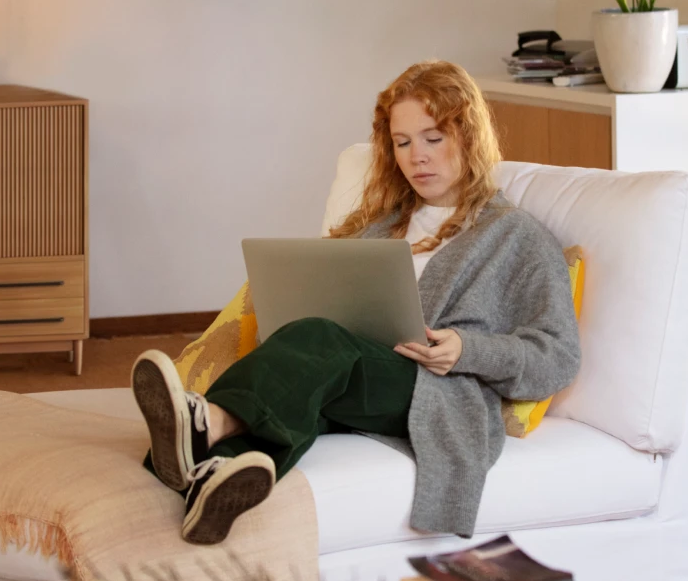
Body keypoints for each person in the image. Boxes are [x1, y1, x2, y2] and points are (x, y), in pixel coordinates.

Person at [131, 60, 581, 545]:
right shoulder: (382, 224)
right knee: (301, 393)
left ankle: (206, 423)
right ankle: (209, 481)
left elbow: (558, 356)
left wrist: (466, 349)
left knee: (319, 341)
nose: (417, 157)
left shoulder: (517, 236)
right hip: (350, 371)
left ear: (468, 135)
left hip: (431, 387)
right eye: (403, 142)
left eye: (433, 138)